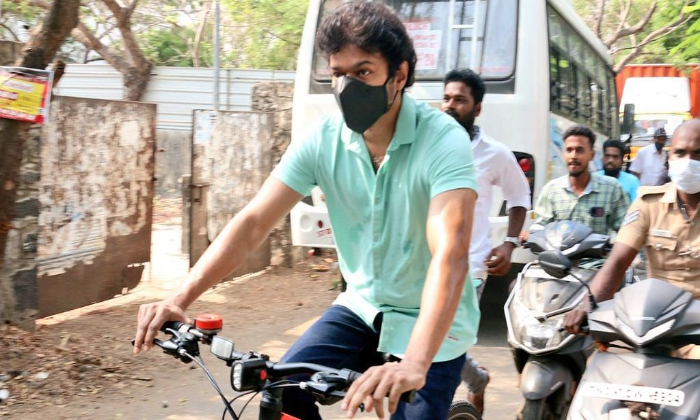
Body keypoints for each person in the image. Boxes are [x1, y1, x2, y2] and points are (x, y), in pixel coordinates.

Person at [133, 3, 480, 420]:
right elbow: (253, 221)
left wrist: (414, 364)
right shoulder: (322, 140)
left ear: (400, 76)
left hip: (431, 325)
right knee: (282, 391)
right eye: (338, 74)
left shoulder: (443, 141)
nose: (348, 87)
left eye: (364, 72)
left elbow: (451, 252)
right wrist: (178, 298)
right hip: (362, 306)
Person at [564, 119, 700, 357]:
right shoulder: (649, 204)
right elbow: (617, 261)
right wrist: (587, 306)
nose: (689, 161)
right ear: (670, 158)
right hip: (654, 322)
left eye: (698, 154)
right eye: (681, 152)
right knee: (603, 366)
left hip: (697, 331)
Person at [441, 68, 530, 414]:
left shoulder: (494, 153)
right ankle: (476, 379)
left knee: (445, 341)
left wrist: (509, 243)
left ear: (477, 108)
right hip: (424, 264)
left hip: (471, 266)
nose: (450, 106)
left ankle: (441, 406)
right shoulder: (425, 144)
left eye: (459, 100)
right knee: (422, 338)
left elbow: (520, 196)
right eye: (447, 98)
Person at [532, 125, 629, 235]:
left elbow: (627, 229)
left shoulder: (612, 188)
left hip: (597, 252)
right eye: (569, 150)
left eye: (579, 150)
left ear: (592, 155)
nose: (573, 156)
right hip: (558, 251)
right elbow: (540, 225)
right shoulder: (551, 190)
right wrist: (532, 234)